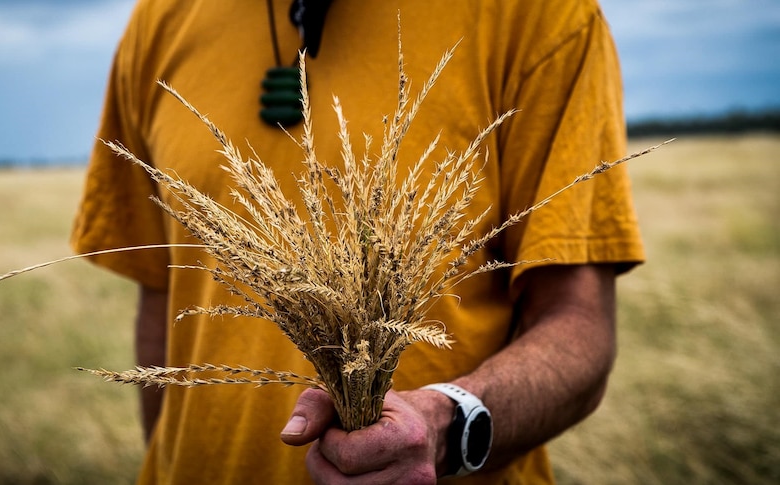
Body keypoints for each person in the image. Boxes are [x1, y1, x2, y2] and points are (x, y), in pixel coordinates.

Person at [71, 0, 644, 483]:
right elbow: (162, 297)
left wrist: (447, 425)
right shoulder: (159, 19)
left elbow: (581, 328)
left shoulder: (539, 14)